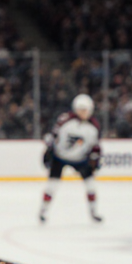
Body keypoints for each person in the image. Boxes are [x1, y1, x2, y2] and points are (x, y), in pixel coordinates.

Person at [39, 93, 103, 223]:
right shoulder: (65, 120)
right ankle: (43, 211)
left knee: (90, 185)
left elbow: (95, 146)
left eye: (85, 110)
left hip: (80, 159)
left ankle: (93, 212)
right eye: (80, 109)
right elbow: (52, 136)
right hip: (59, 157)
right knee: (52, 186)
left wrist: (95, 157)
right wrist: (48, 150)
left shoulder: (93, 126)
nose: (83, 112)